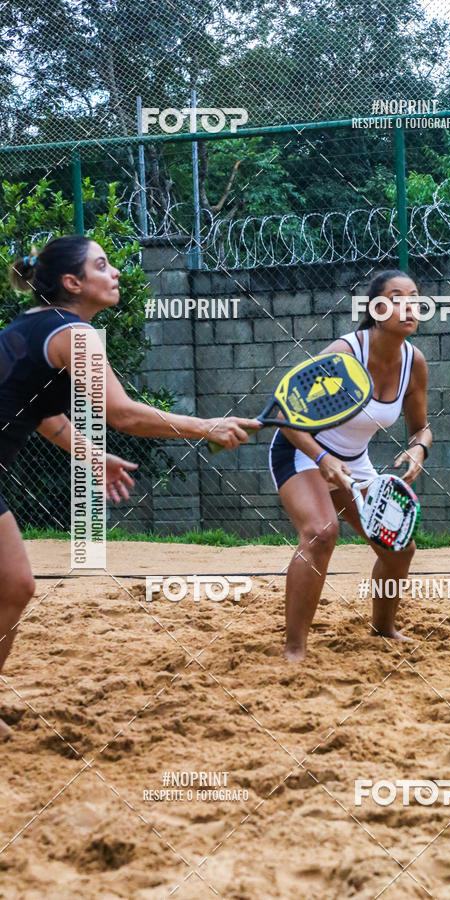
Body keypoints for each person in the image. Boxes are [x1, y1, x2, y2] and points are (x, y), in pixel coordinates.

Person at [0, 235, 260, 738]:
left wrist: (93, 456)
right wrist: (205, 425)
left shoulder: (34, 327)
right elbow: (122, 414)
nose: (115, 271)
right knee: (14, 585)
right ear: (73, 283)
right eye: (102, 264)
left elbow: (45, 415)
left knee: (14, 585)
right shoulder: (75, 335)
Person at [269, 270, 432, 661]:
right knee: (321, 532)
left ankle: (384, 628)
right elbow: (282, 412)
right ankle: (295, 650)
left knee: (399, 549)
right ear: (376, 308)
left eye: (414, 297)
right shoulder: (345, 353)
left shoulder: (414, 363)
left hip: (353, 462)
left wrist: (418, 450)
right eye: (396, 297)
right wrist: (324, 461)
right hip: (303, 449)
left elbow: (421, 428)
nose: (409, 305)